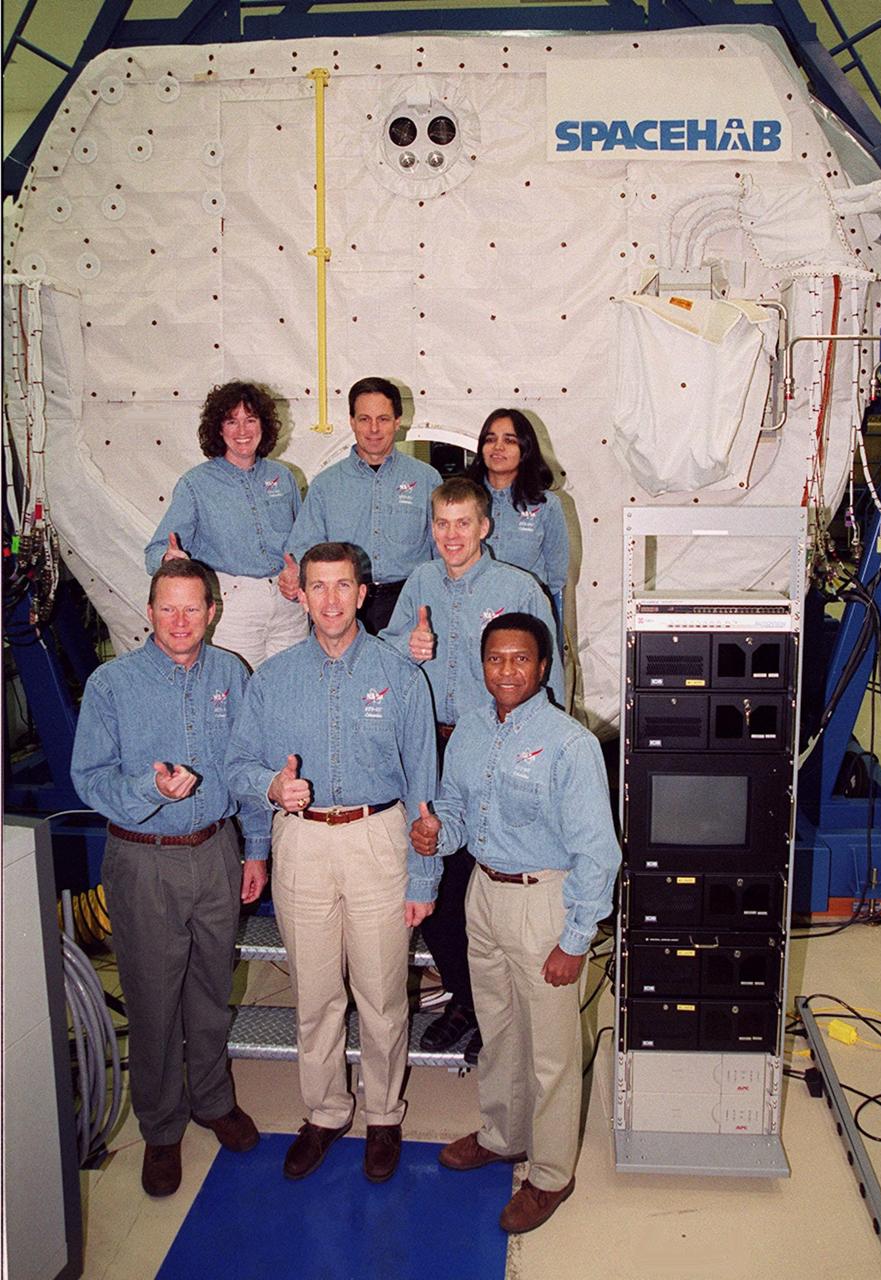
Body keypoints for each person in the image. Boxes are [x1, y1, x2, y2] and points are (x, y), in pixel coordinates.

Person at [225, 542, 439, 1184]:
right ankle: (324, 1111)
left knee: (381, 994)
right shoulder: (272, 679)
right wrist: (271, 789)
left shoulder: (402, 676)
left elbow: (424, 784)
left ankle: (383, 1114)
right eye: (317, 586)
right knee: (315, 994)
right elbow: (238, 765)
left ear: (363, 593)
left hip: (378, 838)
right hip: (303, 843)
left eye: (342, 585)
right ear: (301, 595)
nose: (330, 599)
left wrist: (423, 875)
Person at [410, 613, 619, 1234]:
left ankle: (551, 1173)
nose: (506, 670)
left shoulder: (570, 744)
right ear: (483, 665)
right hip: (483, 893)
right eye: (495, 659)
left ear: (543, 667)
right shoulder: (472, 730)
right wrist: (437, 832)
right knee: (498, 1030)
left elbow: (598, 853)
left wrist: (575, 940)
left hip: (543, 901)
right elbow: (455, 808)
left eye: (520, 659)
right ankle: (504, 1135)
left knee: (552, 1052)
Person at [71, 560, 268, 1198]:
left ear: (212, 611)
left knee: (211, 986)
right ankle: (160, 1127)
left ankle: (212, 1099)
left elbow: (248, 767)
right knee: (153, 999)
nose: (180, 621)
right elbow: (89, 777)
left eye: (192, 608)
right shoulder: (112, 685)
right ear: (150, 610)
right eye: (168, 608)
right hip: (143, 859)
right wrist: (149, 790)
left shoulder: (232, 675)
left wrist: (256, 849)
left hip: (216, 851)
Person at [380, 477, 564, 1060]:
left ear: (485, 527)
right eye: (441, 523)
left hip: (493, 743)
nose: (451, 535)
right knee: (430, 870)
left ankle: (495, 1008)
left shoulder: (519, 587)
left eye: (463, 523)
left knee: (487, 877)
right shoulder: (420, 582)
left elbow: (551, 674)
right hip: (429, 746)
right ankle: (465, 997)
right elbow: (384, 651)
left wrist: (543, 755)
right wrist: (406, 647)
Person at [145, 380, 307, 670]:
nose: (242, 430)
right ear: (218, 429)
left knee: (291, 684)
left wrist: (299, 569)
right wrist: (169, 559)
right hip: (234, 610)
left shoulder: (283, 478)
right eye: (231, 421)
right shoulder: (195, 484)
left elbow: (305, 539)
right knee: (237, 687)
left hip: (289, 606)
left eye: (250, 420)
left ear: (263, 425)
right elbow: (154, 551)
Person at [282, 377, 441, 633]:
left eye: (383, 419)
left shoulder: (426, 480)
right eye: (364, 419)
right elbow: (303, 548)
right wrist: (294, 575)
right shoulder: (325, 484)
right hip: (341, 605)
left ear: (398, 421)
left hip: (409, 605)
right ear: (352, 421)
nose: (374, 429)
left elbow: (443, 549)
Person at [466, 408, 569, 602]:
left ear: (525, 449)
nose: (498, 447)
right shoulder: (463, 500)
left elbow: (556, 577)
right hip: (471, 605)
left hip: (526, 608)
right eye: (490, 439)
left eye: (509, 440)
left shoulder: (546, 505)